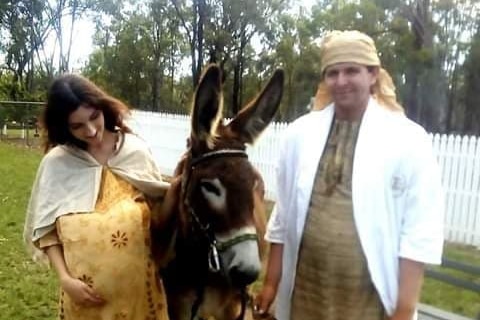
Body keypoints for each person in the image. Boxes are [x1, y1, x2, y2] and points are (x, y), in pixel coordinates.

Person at [254, 30, 445, 320]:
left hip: (366, 302)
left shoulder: (408, 140)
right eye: (333, 73)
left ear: (372, 74)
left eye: (351, 71)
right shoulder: (299, 136)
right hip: (306, 295)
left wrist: (404, 311)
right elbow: (283, 216)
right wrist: (271, 283)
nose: (341, 82)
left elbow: (418, 235)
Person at [23, 74, 171, 320]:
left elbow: (162, 214)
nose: (91, 131)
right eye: (77, 125)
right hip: (84, 305)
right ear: (63, 127)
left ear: (104, 109)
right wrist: (66, 280)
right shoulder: (57, 164)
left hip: (140, 297)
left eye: (94, 117)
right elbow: (46, 232)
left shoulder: (134, 150)